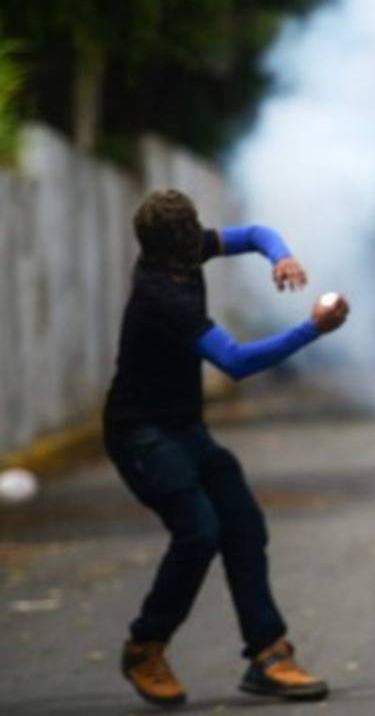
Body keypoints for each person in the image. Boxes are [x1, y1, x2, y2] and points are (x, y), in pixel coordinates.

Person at [103, 189, 349, 707]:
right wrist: (313, 329)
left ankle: (269, 655)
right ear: (177, 242)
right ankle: (145, 645)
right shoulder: (159, 295)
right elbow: (234, 362)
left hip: (181, 426)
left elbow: (257, 234)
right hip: (139, 433)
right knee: (198, 531)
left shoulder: (187, 250)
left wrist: (280, 256)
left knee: (241, 521)